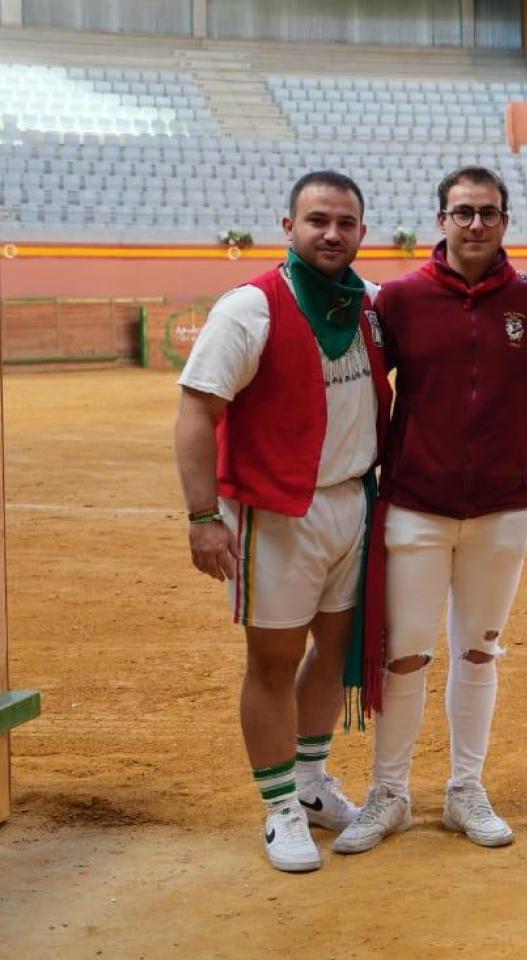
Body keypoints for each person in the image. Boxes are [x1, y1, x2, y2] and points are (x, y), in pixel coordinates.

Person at [331, 166, 527, 855]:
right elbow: (364, 383)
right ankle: (390, 793)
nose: (476, 224)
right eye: (463, 212)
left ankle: (465, 789)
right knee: (406, 655)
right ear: (441, 220)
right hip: (416, 505)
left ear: (505, 221)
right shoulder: (400, 300)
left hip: (502, 507)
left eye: (488, 212)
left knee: (478, 652)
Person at [174, 170, 387, 873]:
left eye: (345, 223)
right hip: (276, 510)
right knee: (273, 660)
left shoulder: (370, 305)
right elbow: (196, 410)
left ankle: (310, 780)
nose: (331, 233)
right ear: (289, 227)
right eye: (317, 220)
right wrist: (203, 516)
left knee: (335, 648)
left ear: (362, 232)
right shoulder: (250, 308)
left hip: (352, 501)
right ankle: (279, 807)